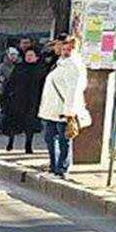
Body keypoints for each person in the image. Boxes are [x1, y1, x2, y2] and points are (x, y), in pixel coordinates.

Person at [38, 34, 91, 177]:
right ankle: (54, 166)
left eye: (68, 49)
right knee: (50, 138)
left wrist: (69, 111)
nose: (64, 51)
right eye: (63, 48)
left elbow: (73, 89)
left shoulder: (74, 65)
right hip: (52, 109)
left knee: (64, 139)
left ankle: (62, 168)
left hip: (63, 110)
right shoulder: (60, 63)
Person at [0, 47, 49, 153]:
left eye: (31, 55)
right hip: (17, 100)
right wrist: (6, 97)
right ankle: (10, 142)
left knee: (30, 124)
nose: (29, 57)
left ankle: (28, 145)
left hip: (33, 101)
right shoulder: (19, 67)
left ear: (37, 57)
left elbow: (44, 85)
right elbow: (10, 83)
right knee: (13, 122)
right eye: (27, 55)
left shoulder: (41, 69)